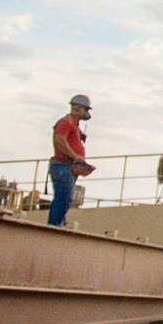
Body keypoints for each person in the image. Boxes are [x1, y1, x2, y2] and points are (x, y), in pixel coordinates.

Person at [48, 93, 94, 226]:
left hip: (68, 167)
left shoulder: (73, 125)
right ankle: (54, 226)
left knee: (65, 198)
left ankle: (58, 223)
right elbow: (59, 139)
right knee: (63, 198)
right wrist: (75, 156)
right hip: (63, 166)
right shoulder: (66, 122)